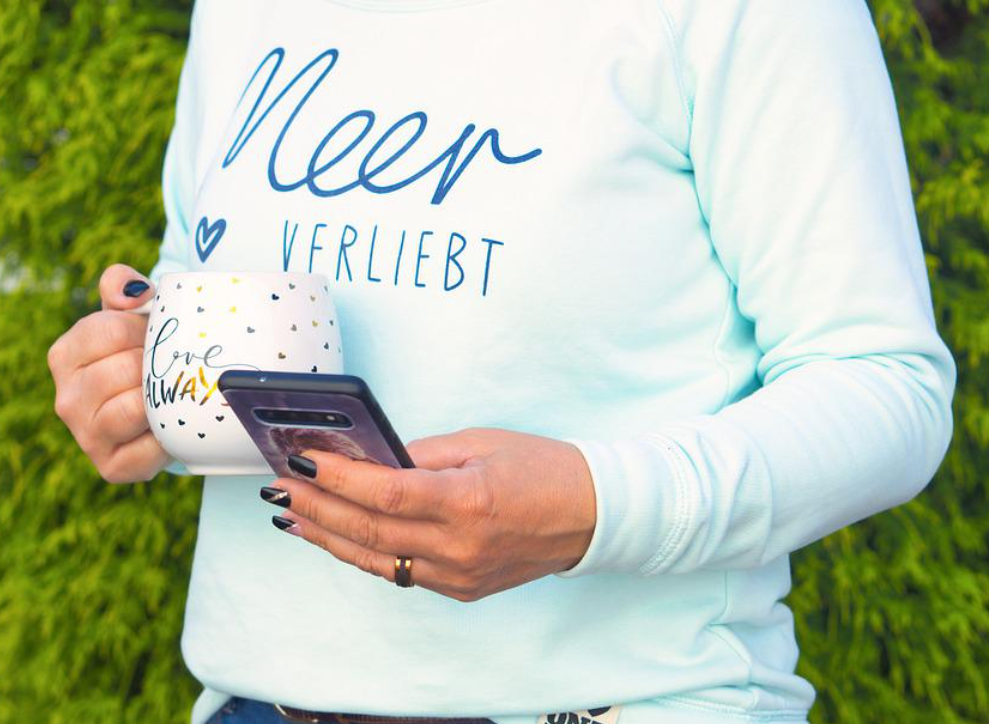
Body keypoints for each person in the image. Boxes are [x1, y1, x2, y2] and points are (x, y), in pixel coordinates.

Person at [47, 1, 956, 723]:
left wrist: (593, 509)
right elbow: (206, 305)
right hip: (256, 703)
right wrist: (135, 388)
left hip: (617, 707)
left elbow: (884, 382)